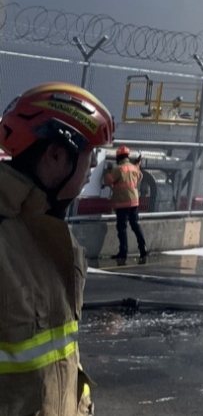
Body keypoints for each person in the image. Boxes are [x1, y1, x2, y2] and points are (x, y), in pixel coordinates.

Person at [0, 82, 115, 416]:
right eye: (89, 161)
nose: (92, 171)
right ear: (55, 155)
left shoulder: (59, 241)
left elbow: (62, 359)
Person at [102, 145, 147, 264]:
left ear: (118, 157)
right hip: (134, 202)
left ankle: (123, 252)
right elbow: (139, 176)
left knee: (122, 228)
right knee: (135, 225)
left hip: (122, 203)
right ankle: (143, 248)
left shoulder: (118, 169)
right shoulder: (133, 168)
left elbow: (108, 181)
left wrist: (108, 171)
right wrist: (137, 166)